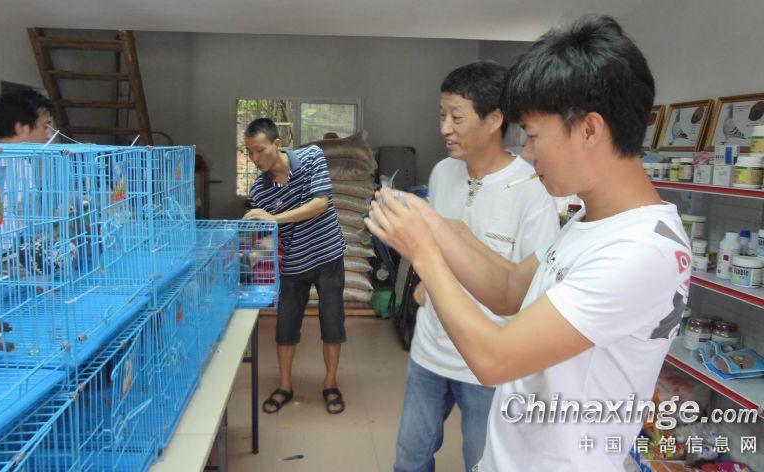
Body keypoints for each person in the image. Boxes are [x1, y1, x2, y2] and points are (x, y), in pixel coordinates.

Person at [366, 15, 690, 470]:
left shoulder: (640, 251)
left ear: (590, 130)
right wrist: (432, 224)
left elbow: (495, 360)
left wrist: (424, 253)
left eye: (534, 137)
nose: (528, 154)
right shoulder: (591, 220)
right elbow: (510, 290)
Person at [394, 61, 559, 472]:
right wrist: (426, 281)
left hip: (488, 360)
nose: (444, 128)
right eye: (441, 115)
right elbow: (434, 246)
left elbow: (533, 287)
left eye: (456, 117)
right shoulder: (442, 173)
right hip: (429, 350)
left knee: (482, 463)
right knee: (410, 459)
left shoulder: (532, 191)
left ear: (494, 119)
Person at [242, 118, 348, 415]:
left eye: (259, 150)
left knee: (332, 323)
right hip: (293, 264)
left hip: (327, 256)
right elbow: (266, 239)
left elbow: (320, 203)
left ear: (277, 145)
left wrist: (274, 218)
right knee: (285, 328)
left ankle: (330, 384)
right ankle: (285, 386)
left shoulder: (312, 157)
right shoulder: (259, 191)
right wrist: (246, 257)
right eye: (249, 152)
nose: (254, 158)